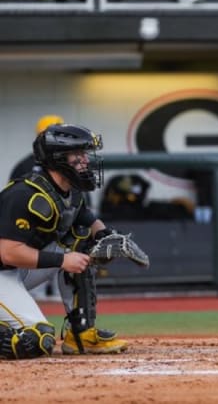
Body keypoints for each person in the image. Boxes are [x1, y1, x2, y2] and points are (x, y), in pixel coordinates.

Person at [0, 124, 129, 359]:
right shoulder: (24, 194)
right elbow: (8, 253)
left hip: (12, 273)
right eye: (77, 154)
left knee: (81, 243)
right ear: (57, 158)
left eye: (85, 154)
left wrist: (106, 236)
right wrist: (62, 260)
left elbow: (86, 220)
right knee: (36, 340)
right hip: (5, 267)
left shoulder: (69, 190)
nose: (85, 161)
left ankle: (81, 335)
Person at [9, 114, 66, 302]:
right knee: (33, 252)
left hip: (59, 220)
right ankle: (33, 294)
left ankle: (59, 294)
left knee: (67, 246)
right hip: (33, 223)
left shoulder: (69, 163)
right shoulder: (26, 164)